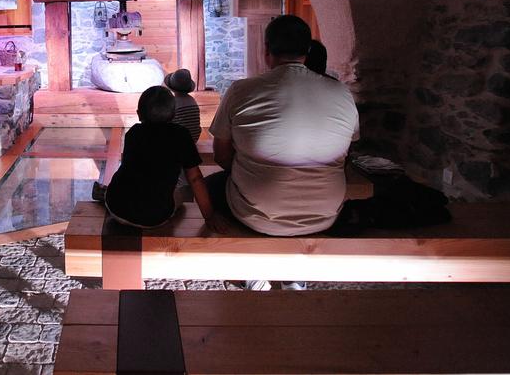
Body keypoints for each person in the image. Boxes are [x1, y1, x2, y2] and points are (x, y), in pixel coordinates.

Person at [207, 16, 359, 285]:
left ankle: (249, 271)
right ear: (307, 50)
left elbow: (221, 156)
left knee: (209, 189)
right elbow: (348, 152)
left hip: (257, 213)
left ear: (265, 50)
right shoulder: (341, 93)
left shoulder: (241, 90)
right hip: (325, 212)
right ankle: (293, 278)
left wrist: (253, 170)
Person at [92, 86, 225, 232]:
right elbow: (195, 178)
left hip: (116, 207)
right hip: (153, 217)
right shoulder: (181, 136)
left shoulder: (134, 133)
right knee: (182, 192)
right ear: (174, 115)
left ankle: (105, 193)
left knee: (129, 185)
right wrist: (209, 216)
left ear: (139, 114)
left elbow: (128, 169)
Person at [164, 68, 201, 201]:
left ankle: (179, 193)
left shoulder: (173, 103)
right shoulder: (192, 101)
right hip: (194, 137)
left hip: (179, 140)